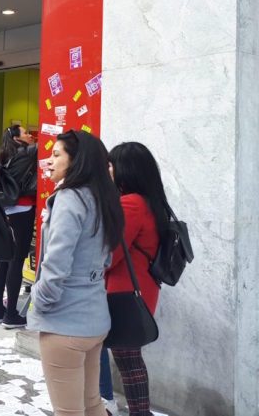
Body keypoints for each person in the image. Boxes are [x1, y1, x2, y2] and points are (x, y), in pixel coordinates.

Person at [27, 130, 124, 416]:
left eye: (57, 155)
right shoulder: (103, 198)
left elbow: (56, 264)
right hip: (95, 319)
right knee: (92, 404)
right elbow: (106, 259)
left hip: (65, 322)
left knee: (69, 411)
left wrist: (39, 301)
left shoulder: (70, 198)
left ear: (77, 161)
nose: (49, 161)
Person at [99, 142, 169, 416]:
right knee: (129, 357)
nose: (107, 170)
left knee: (128, 359)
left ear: (124, 169)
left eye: (110, 165)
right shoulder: (150, 202)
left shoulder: (131, 203)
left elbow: (111, 254)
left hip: (124, 291)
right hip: (140, 289)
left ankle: (140, 412)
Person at [0, 125, 37, 328]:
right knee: (17, 262)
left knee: (2, 260)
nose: (30, 135)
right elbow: (49, 142)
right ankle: (11, 315)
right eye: (26, 133)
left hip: (4, 211)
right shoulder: (25, 153)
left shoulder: (2, 156)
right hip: (22, 211)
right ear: (17, 138)